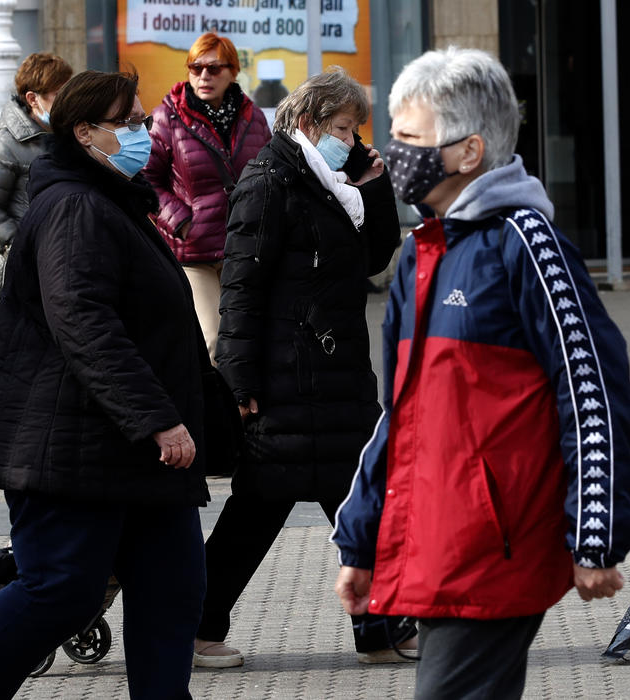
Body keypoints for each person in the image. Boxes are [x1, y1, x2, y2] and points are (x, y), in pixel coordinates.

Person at [331, 48, 630, 699]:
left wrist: (594, 534)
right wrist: (362, 538)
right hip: (437, 538)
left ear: (468, 152)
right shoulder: (423, 254)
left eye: (410, 138)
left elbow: (591, 393)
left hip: (495, 545)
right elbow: (401, 415)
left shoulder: (528, 243)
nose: (392, 152)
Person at [0, 70, 209, 700]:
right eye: (130, 124)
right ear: (85, 133)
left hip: (131, 452)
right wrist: (156, 417)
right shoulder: (75, 207)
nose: (145, 133)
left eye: (144, 120)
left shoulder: (113, 200)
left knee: (173, 588)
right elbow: (83, 321)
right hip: (73, 444)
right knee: (60, 590)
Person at [195, 67, 415, 669]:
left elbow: (372, 259)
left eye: (354, 128)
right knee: (259, 512)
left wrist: (371, 185)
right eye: (342, 127)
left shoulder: (333, 185)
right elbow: (239, 290)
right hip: (286, 383)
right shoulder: (270, 183)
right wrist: (238, 380)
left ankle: (381, 627)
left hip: (334, 379)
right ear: (308, 122)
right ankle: (195, 627)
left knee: (357, 499)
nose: (350, 138)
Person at [144, 32, 271, 363]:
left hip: (243, 246)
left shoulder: (253, 117)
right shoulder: (167, 116)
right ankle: (218, 414)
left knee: (249, 340)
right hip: (195, 253)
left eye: (213, 69)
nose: (203, 76)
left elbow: (268, 173)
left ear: (232, 71)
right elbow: (146, 179)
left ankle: (243, 412)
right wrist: (182, 221)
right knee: (214, 343)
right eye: (195, 67)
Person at [0, 52, 73, 298]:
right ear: (33, 99)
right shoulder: (3, 146)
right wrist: (22, 248)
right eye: (60, 95)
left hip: (66, 265)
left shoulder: (69, 137)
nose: (68, 101)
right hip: (25, 275)